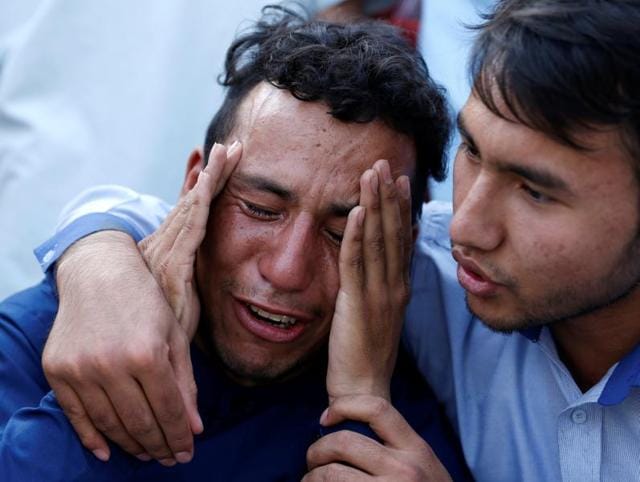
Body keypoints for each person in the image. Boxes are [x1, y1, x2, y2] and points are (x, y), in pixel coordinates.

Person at [32, 0, 640, 480]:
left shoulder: (429, 276)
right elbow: (186, 214)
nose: (464, 226)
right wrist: (100, 265)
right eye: (473, 153)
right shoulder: (418, 263)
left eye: (535, 192)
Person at [0, 7, 470, 482]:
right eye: (260, 209)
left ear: (401, 250)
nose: (287, 270)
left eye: (342, 234)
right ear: (194, 188)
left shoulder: (412, 435)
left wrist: (361, 408)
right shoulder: (39, 343)